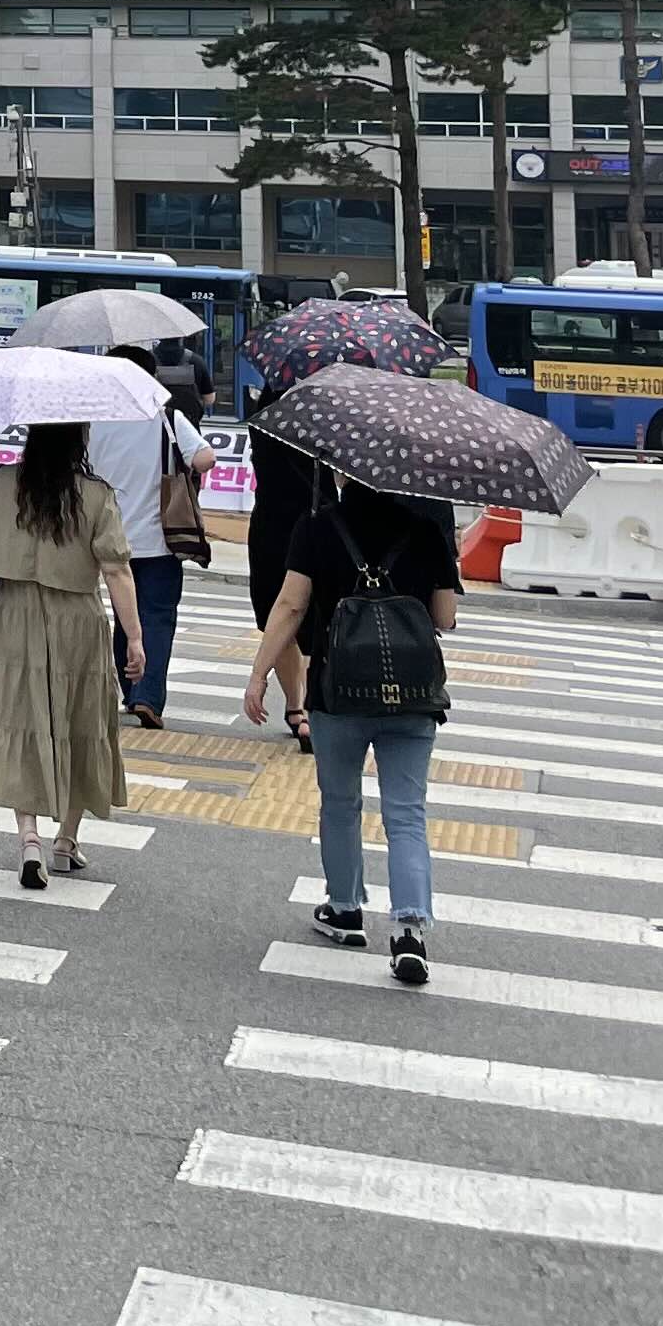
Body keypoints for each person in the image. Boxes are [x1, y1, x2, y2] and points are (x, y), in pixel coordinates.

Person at [245, 466, 464, 987]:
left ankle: (344, 910)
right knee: (406, 812)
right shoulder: (427, 528)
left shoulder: (317, 527)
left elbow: (291, 605)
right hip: (411, 695)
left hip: (337, 692)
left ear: (346, 473)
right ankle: (409, 930)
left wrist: (259, 674)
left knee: (341, 803)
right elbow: (443, 617)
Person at [0, 421, 140, 889]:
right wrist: (136, 638)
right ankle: (66, 840)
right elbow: (117, 569)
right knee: (81, 721)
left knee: (19, 720)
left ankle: (29, 839)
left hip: (13, 616)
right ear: (79, 439)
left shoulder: (0, 481)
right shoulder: (96, 494)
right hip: (77, 617)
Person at [78, 346, 202, 732]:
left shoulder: (94, 419)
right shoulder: (167, 417)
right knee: (157, 617)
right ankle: (147, 696)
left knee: (124, 615)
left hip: (106, 536)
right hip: (160, 538)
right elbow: (205, 459)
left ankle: (131, 690)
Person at [243, 377, 333, 749]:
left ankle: (295, 707)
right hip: (317, 521)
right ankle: (309, 709)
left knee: (275, 614)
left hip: (269, 526)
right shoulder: (322, 422)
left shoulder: (261, 421)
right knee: (314, 618)